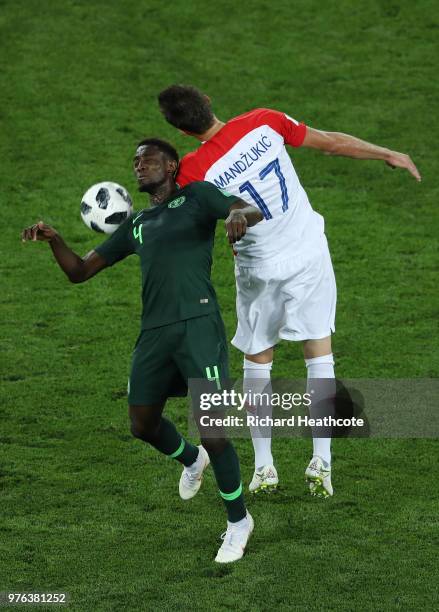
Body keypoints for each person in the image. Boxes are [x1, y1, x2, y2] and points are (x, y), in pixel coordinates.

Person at [158, 85, 421, 498]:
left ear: (181, 130)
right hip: (307, 253)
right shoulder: (264, 120)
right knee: (319, 352)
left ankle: (264, 468)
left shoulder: (193, 171)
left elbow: (182, 230)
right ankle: (323, 463)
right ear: (209, 100)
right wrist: (387, 152)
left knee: (258, 361)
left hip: (258, 270)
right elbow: (332, 144)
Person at [21, 138, 263, 563]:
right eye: (134, 161)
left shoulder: (197, 196)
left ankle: (238, 521)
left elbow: (247, 208)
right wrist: (55, 239)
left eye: (147, 160)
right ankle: (192, 459)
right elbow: (80, 272)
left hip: (198, 328)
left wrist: (237, 218)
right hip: (154, 333)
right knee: (141, 423)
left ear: (171, 166)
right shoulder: (136, 225)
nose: (138, 166)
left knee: (214, 431)